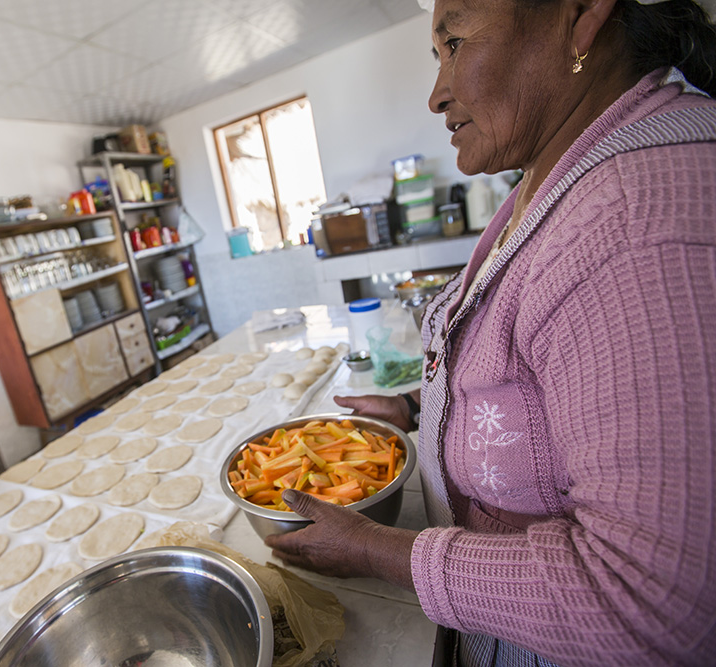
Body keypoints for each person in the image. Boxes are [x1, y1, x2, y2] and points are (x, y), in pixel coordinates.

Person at [265, 0, 716, 664]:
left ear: (582, 16)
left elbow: (652, 599)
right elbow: (546, 378)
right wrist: (422, 408)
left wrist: (373, 547)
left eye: (454, 42)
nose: (437, 93)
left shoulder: (633, 225)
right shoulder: (562, 165)